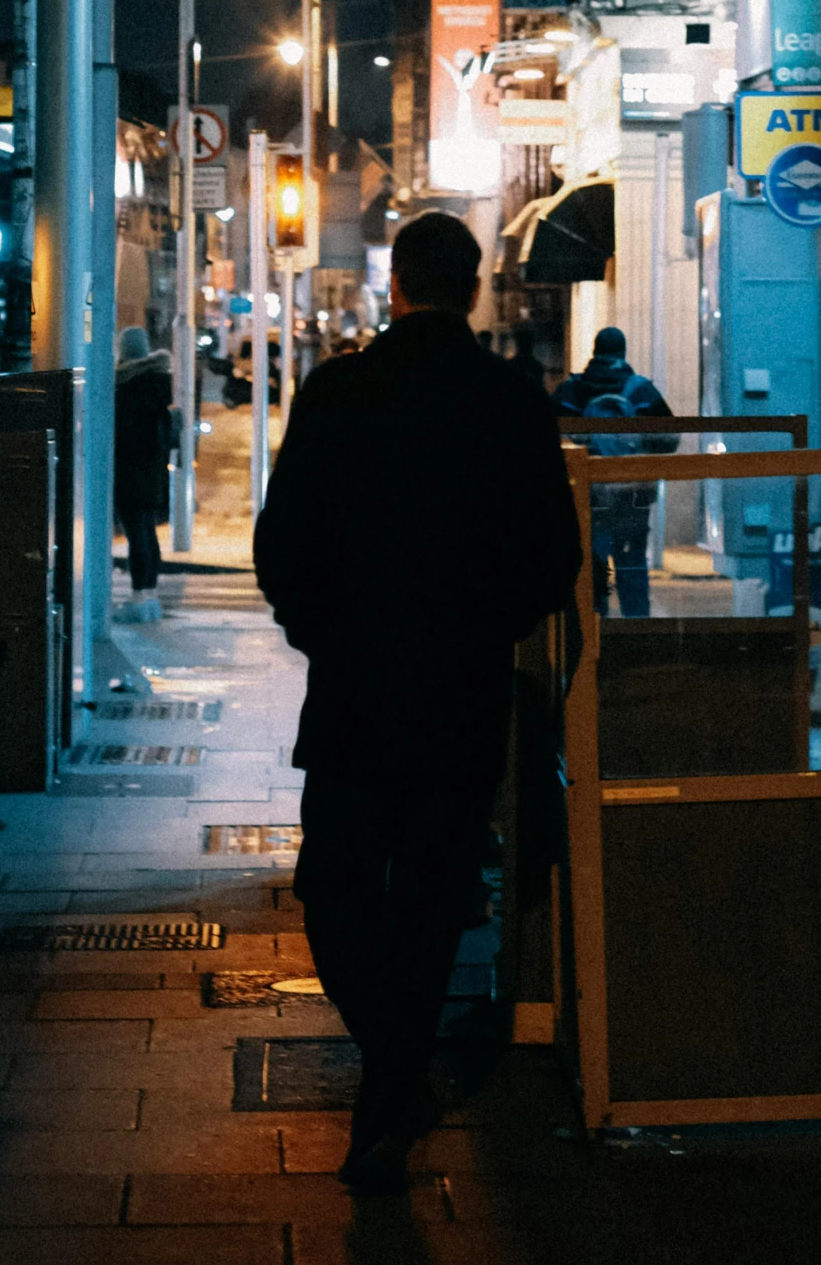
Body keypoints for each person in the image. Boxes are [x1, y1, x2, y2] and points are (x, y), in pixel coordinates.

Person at [254, 211, 581, 1193]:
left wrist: (325, 633)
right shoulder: (511, 401)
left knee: (337, 891)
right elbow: (554, 558)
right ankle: (397, 1083)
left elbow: (282, 547)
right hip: (462, 695)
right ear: (473, 290)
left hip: (356, 692)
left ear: (394, 285)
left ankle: (388, 1086)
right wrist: (485, 631)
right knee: (435, 898)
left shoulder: (340, 392)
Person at [553, 327, 674, 618]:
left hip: (588, 496)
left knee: (592, 568)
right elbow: (670, 440)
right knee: (632, 563)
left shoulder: (573, 390)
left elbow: (548, 436)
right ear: (623, 351)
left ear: (595, 351)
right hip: (632, 497)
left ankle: (595, 635)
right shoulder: (641, 390)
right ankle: (637, 632)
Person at [113, 326, 174, 625]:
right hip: (152, 473)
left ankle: (139, 597)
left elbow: (120, 434)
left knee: (136, 536)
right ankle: (149, 596)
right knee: (147, 534)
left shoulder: (127, 387)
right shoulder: (158, 385)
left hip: (129, 471)